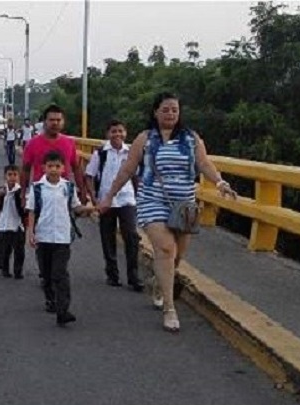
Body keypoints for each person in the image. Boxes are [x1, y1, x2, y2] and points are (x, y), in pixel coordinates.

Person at [98, 92, 237, 333]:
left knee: (177, 256)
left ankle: (160, 282)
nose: (170, 114)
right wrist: (109, 196)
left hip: (184, 204)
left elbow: (204, 164)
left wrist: (220, 182)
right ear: (155, 112)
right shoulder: (145, 139)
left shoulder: (191, 138)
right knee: (165, 249)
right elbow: (128, 169)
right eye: (165, 109)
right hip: (153, 200)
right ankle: (170, 309)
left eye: (174, 109)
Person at [26, 151, 94, 326]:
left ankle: (63, 310)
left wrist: (89, 209)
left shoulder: (68, 187)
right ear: (43, 168)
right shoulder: (37, 188)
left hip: (63, 237)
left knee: (60, 274)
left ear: (63, 168)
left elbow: (76, 208)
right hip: (43, 235)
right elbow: (32, 211)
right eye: (50, 166)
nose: (54, 170)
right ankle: (50, 299)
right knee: (46, 273)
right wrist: (31, 232)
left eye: (57, 166)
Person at [85, 120, 143, 291]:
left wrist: (140, 196)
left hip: (127, 199)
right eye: (113, 131)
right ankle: (112, 273)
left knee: (131, 236)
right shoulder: (100, 153)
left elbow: (137, 176)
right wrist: (94, 199)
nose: (117, 134)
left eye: (120, 131)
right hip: (105, 199)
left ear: (125, 133)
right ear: (107, 134)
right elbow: (89, 175)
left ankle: (133, 276)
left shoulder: (132, 152)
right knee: (107, 237)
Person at [0, 165, 26, 280]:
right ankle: (5, 269)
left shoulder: (21, 190)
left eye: (15, 175)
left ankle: (18, 271)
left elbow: (24, 208)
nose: (12, 177)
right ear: (5, 176)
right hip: (4, 225)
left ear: (19, 176)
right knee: (4, 250)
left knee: (19, 251)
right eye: (9, 175)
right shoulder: (1, 190)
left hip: (18, 225)